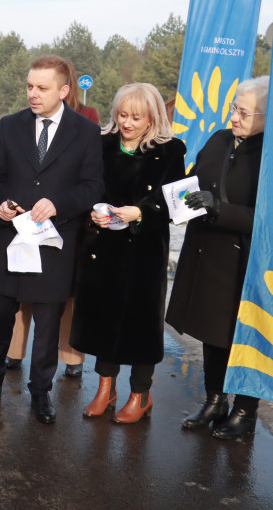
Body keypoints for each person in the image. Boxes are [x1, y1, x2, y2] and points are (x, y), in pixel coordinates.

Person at [0, 54, 104, 424]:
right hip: (11, 240)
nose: (33, 93)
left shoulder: (86, 132)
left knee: (46, 325)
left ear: (64, 90)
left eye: (42, 88)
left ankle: (41, 392)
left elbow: (93, 186)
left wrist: (58, 203)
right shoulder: (10, 126)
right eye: (29, 86)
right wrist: (1, 205)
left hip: (55, 244)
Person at [69, 83, 185, 423]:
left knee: (140, 325)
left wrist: (142, 212)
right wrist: (89, 212)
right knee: (102, 320)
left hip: (143, 253)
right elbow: (83, 187)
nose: (128, 123)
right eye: (122, 115)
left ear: (152, 117)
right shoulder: (101, 144)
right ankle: (106, 388)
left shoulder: (170, 150)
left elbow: (176, 203)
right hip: (101, 248)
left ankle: (140, 394)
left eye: (136, 117)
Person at [168, 76, 267, 440]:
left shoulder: (269, 155)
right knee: (212, 330)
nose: (234, 117)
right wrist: (173, 202)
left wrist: (219, 209)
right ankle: (215, 400)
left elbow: (266, 217)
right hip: (207, 252)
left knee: (246, 336)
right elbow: (195, 179)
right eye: (233, 108)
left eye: (243, 112)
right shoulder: (220, 138)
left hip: (249, 262)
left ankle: (245, 411)